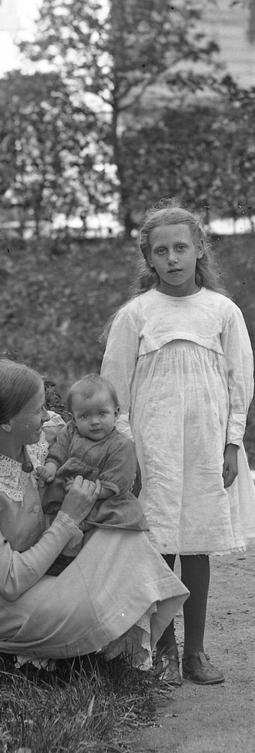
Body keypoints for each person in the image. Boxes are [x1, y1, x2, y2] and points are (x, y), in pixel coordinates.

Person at [0, 359, 188, 673]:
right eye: (38, 410)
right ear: (7, 422)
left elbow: (103, 442)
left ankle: (57, 649)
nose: (47, 415)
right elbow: (9, 581)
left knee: (128, 543)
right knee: (88, 607)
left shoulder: (47, 437)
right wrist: (67, 519)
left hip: (43, 571)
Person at [102, 201, 255, 687]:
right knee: (160, 541)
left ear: (199, 250)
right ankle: (164, 651)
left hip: (206, 443)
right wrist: (128, 452)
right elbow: (115, 389)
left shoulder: (222, 311)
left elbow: (240, 382)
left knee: (197, 543)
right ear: (149, 258)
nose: (172, 259)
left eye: (181, 248)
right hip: (154, 447)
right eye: (161, 251)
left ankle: (196, 652)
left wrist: (232, 444)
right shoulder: (136, 315)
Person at [36, 373, 148, 568]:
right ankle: (61, 558)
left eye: (102, 414)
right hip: (65, 496)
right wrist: (50, 468)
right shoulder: (70, 431)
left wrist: (86, 491)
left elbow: (117, 482)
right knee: (50, 519)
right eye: (85, 416)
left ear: (116, 413)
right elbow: (58, 452)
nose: (94, 421)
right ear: (73, 418)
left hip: (102, 499)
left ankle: (89, 561)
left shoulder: (121, 445)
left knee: (102, 538)